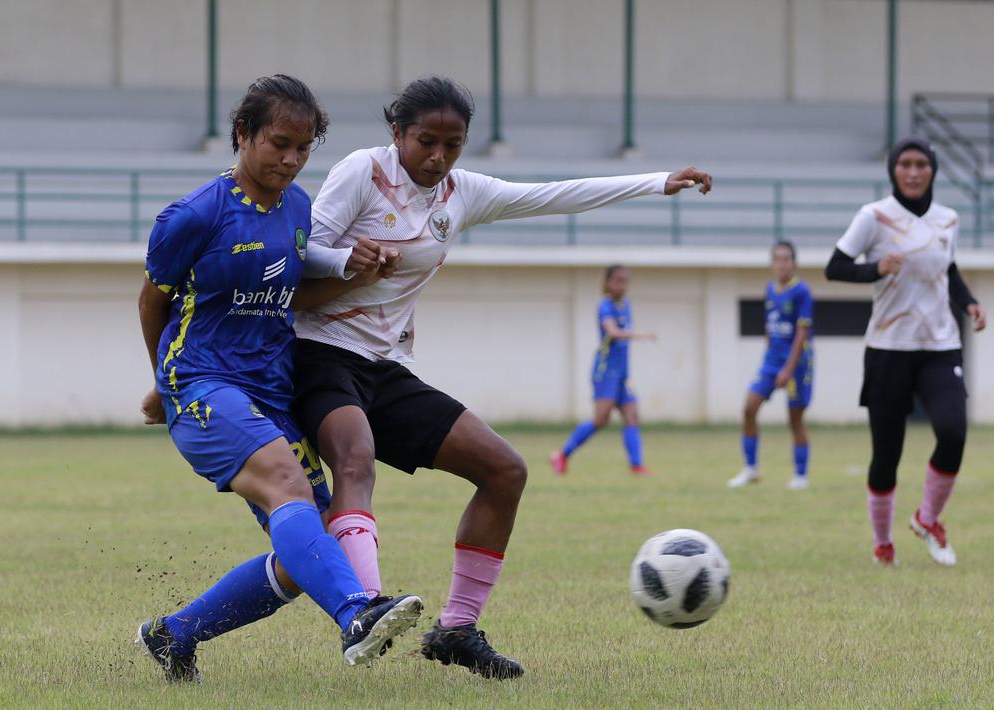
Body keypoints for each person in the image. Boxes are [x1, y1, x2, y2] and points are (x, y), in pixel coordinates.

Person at [294, 76, 711, 679]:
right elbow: (303, 254)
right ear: (397, 134)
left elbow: (554, 194)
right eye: (426, 142)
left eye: (453, 144)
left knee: (505, 470)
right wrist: (347, 261)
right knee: (354, 461)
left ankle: (457, 631)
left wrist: (655, 182)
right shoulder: (364, 171)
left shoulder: (462, 193)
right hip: (318, 354)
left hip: (383, 368)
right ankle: (363, 609)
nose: (438, 157)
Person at [134, 74, 423, 683]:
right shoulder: (193, 216)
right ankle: (358, 614)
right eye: (279, 143)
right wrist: (164, 382)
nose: (291, 159)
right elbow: (151, 301)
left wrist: (357, 277)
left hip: (271, 392)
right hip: (205, 385)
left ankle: (174, 634)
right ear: (243, 135)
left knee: (305, 552)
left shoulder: (297, 209)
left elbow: (290, 293)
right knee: (288, 485)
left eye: (303, 147)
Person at [825, 137, 986, 568]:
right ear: (893, 170)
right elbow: (835, 267)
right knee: (887, 454)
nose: (913, 172)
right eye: (905, 164)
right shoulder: (873, 217)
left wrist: (968, 301)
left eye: (921, 164)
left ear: (932, 170)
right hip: (888, 348)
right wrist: (874, 268)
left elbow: (948, 269)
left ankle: (927, 519)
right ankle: (883, 543)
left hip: (940, 345)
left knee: (953, 431)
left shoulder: (948, 219)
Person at [550, 264, 656, 477]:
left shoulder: (626, 304)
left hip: (623, 374)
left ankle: (637, 465)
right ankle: (562, 454)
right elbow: (612, 332)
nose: (622, 285)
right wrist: (640, 335)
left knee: (632, 415)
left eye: (625, 281)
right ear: (607, 283)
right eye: (617, 280)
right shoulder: (605, 306)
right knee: (601, 420)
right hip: (605, 371)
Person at [727, 241, 814, 490]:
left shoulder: (802, 292)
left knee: (794, 419)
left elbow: (802, 332)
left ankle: (800, 476)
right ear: (772, 263)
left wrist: (788, 368)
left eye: (786, 259)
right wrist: (769, 358)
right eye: (777, 259)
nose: (782, 264)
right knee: (749, 408)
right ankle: (751, 469)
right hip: (771, 360)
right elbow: (770, 326)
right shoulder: (770, 289)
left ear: (794, 263)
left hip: (796, 363)